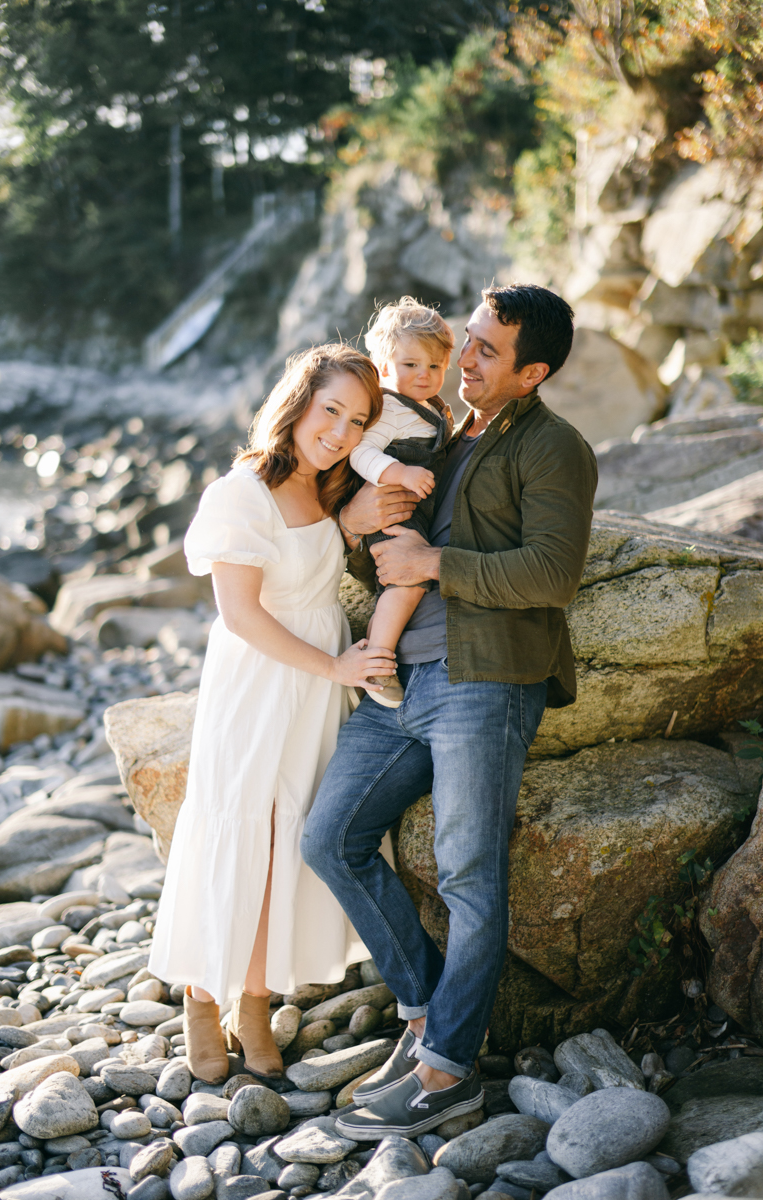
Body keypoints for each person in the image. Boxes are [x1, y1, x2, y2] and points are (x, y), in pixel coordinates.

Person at [302, 284, 599, 1138]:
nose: (464, 361)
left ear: (533, 371)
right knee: (331, 839)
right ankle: (428, 1012)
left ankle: (447, 1073)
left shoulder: (555, 448)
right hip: (398, 682)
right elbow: (393, 564)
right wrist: (365, 532)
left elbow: (551, 574)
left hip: (485, 683)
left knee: (470, 872)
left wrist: (437, 561)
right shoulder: (438, 432)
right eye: (466, 342)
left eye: (486, 352)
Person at [148, 343, 399, 1085]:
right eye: (331, 411)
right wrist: (336, 665)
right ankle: (200, 994)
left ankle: (252, 1001)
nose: (341, 432)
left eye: (358, 421)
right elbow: (241, 616)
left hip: (317, 690)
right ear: (297, 402)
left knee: (289, 837)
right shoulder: (239, 494)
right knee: (237, 828)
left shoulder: (332, 490)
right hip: (261, 681)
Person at [347, 298, 455, 710]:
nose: (424, 376)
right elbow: (362, 452)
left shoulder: (429, 408)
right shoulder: (389, 407)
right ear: (384, 364)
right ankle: (377, 662)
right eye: (411, 365)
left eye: (435, 367)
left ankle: (379, 632)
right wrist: (401, 473)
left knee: (403, 586)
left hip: (414, 512)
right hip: (391, 508)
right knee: (408, 585)